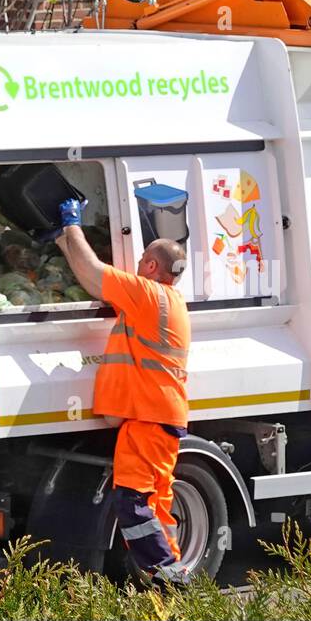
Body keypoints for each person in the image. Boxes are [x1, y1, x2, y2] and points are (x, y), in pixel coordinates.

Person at [48, 196, 192, 588]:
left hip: (149, 419)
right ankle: (172, 574)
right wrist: (64, 242)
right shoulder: (166, 301)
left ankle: (166, 577)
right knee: (156, 506)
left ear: (149, 266)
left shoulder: (148, 295)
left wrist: (72, 224)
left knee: (131, 501)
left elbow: (94, 274)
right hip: (158, 418)